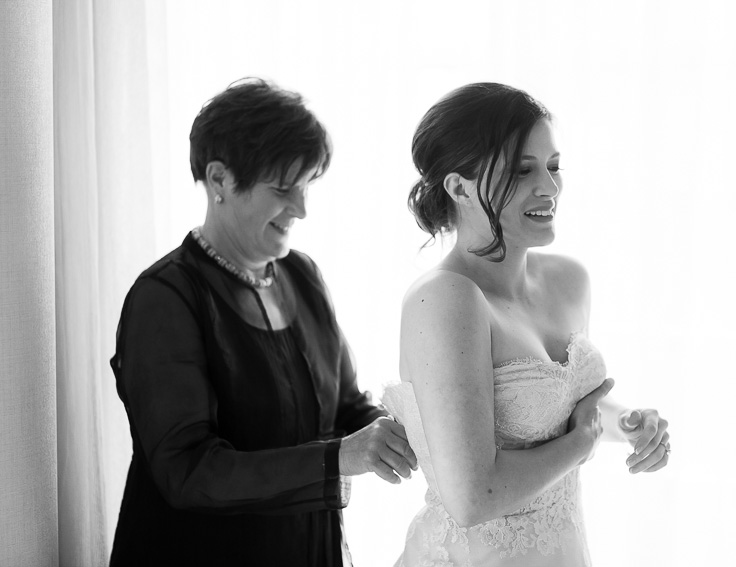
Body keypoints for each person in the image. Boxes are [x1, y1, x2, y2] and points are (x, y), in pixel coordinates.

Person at [109, 78, 417, 567]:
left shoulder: (302, 275)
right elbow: (189, 472)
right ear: (219, 180)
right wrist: (340, 457)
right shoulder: (165, 298)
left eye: (307, 185)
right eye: (282, 189)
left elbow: (345, 408)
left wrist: (417, 428)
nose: (302, 208)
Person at [382, 83, 671, 566]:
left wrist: (631, 424)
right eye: (522, 170)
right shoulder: (446, 300)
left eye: (554, 166)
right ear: (458, 186)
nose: (550, 188)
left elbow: (566, 405)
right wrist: (582, 443)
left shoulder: (569, 280)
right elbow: (474, 497)